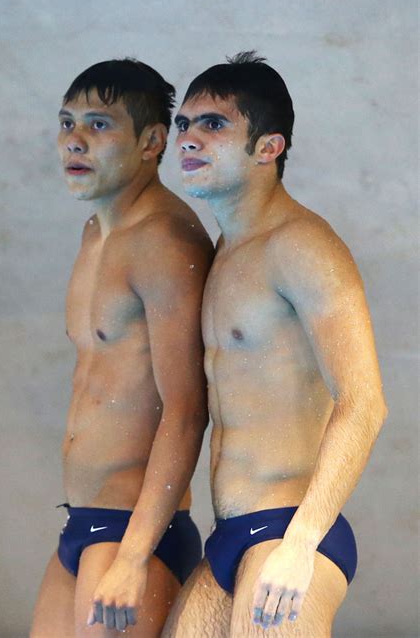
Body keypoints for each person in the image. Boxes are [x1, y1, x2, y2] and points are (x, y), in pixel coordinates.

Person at [163, 51, 388, 637]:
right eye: (184, 124)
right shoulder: (222, 253)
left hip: (292, 528)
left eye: (213, 124)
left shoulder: (304, 246)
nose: (187, 137)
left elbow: (364, 404)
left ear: (268, 148)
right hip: (228, 538)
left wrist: (302, 543)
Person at [31, 58, 214, 637]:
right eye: (66, 123)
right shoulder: (96, 234)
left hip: (133, 531)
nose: (75, 141)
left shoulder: (164, 239)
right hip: (81, 522)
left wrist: (135, 554)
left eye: (100, 125)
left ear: (152, 142)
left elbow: (188, 411)